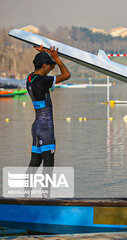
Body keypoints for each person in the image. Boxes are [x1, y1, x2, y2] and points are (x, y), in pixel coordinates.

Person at [25, 45, 71, 197]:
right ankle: (46, 199)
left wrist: (45, 53)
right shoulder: (43, 81)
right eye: (50, 68)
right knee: (48, 163)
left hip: (36, 126)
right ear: (44, 65)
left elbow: (43, 69)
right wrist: (57, 59)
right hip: (46, 128)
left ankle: (26, 196)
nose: (51, 70)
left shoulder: (30, 78)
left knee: (34, 163)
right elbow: (66, 74)